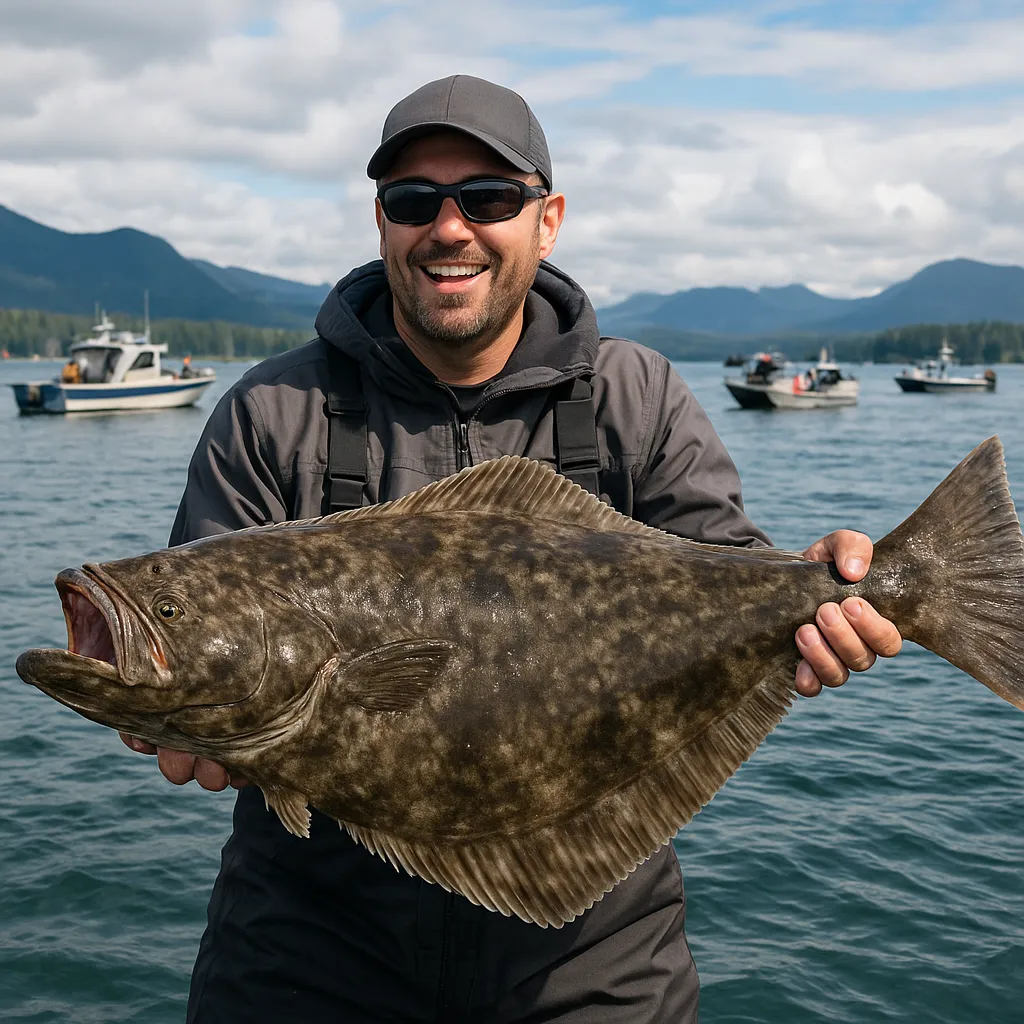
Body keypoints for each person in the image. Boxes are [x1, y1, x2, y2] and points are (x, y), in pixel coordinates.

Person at [120, 75, 902, 1022]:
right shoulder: (271, 414)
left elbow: (730, 565)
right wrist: (164, 708)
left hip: (595, 960)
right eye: (415, 202)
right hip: (307, 947)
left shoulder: (636, 396)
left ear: (548, 219)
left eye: (488, 198)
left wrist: (815, 601)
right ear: (381, 223)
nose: (449, 229)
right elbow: (194, 644)